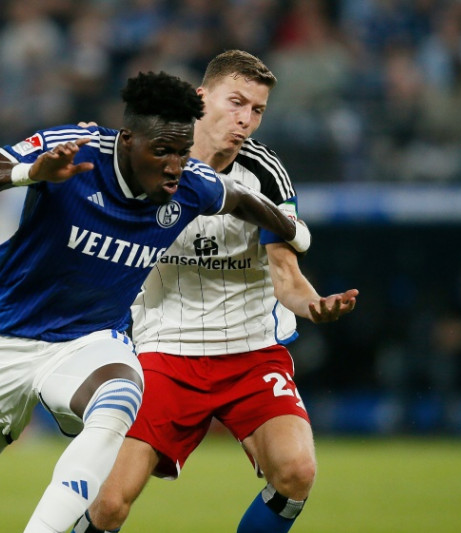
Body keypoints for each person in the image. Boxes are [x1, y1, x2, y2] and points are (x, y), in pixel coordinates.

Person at [0, 70, 310, 533]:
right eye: (163, 151)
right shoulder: (74, 150)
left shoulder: (191, 183)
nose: (175, 166)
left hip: (88, 341)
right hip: (3, 336)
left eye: (182, 152)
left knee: (121, 394)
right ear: (128, 140)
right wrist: (29, 173)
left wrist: (293, 230)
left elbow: (243, 200)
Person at [74, 50, 359, 533]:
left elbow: (286, 276)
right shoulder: (148, 159)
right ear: (201, 98)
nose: (246, 120)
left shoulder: (265, 173)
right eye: (237, 103)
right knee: (110, 503)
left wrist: (313, 305)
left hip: (251, 351)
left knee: (296, 472)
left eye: (258, 110)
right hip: (165, 350)